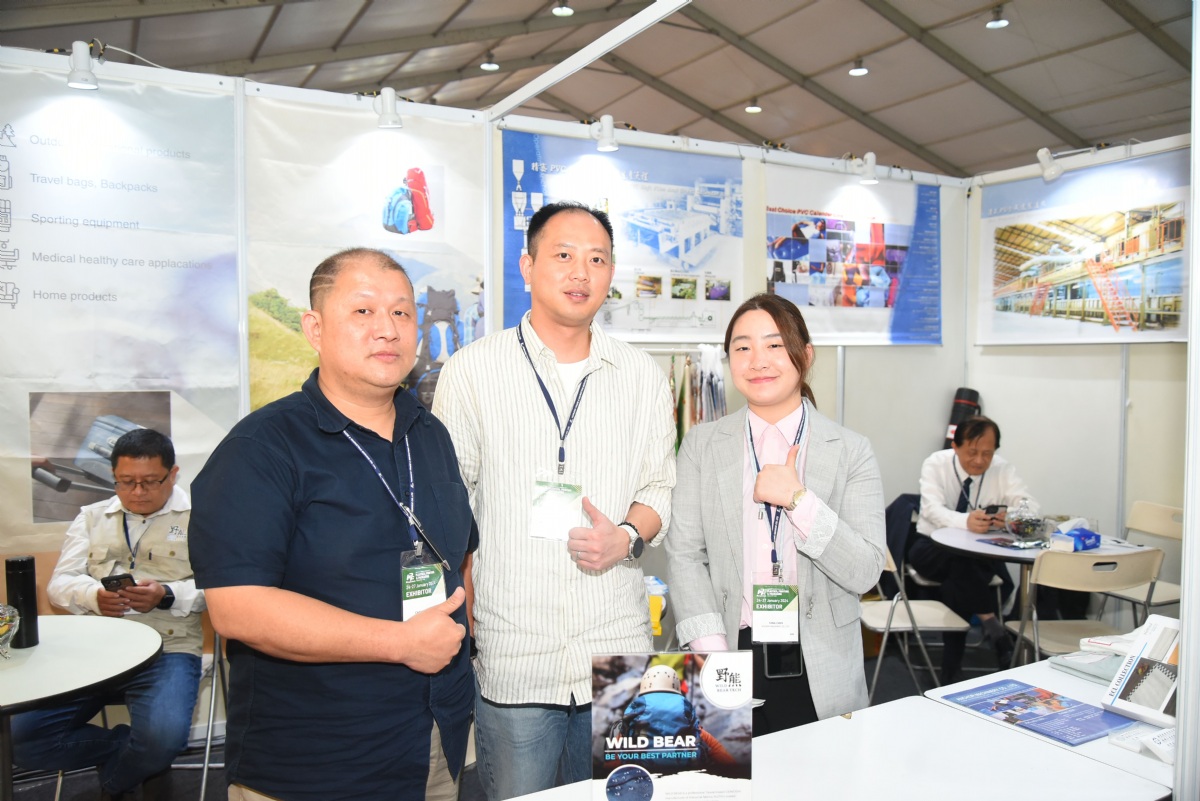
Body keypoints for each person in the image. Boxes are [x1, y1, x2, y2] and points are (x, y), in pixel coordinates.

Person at [188, 248, 475, 801]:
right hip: (315, 759)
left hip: (434, 740)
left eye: (401, 312)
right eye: (363, 311)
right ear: (314, 329)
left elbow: (458, 554)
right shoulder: (261, 449)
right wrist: (399, 643)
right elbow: (237, 607)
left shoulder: (430, 434)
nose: (387, 329)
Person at [432, 201, 675, 801]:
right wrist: (463, 620)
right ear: (528, 266)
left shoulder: (642, 375)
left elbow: (659, 487)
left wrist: (627, 536)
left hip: (615, 644)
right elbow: (452, 508)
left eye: (597, 259)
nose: (580, 272)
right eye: (563, 255)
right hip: (516, 649)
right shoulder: (471, 371)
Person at [666, 293, 886, 734]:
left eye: (774, 345)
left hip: (820, 654)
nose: (758, 360)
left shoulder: (850, 450)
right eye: (742, 347)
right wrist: (714, 654)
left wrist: (799, 501)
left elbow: (865, 572)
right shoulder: (701, 445)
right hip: (728, 644)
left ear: (806, 355)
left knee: (821, 771)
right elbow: (685, 555)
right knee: (728, 768)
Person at [12, 428, 203, 801]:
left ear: (173, 474)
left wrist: (166, 594)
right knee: (22, 740)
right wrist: (93, 597)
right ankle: (136, 753)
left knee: (163, 737)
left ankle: (118, 782)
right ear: (113, 475)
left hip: (169, 647)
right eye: (125, 481)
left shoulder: (202, 518)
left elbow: (222, 590)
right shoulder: (91, 516)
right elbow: (59, 584)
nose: (137, 492)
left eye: (150, 481)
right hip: (97, 649)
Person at [909, 415, 1037, 682]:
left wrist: (1011, 517)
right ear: (955, 446)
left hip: (979, 555)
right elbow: (931, 510)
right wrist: (964, 521)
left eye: (987, 454)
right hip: (931, 547)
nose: (979, 460)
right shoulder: (936, 463)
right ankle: (993, 627)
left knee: (959, 575)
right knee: (961, 563)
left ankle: (951, 668)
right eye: (972, 452)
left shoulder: (1002, 469)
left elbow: (1031, 508)